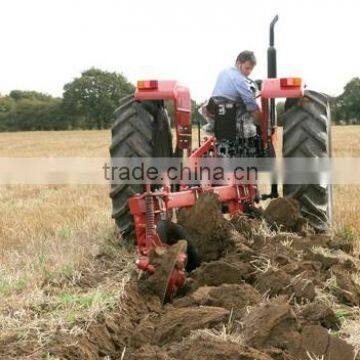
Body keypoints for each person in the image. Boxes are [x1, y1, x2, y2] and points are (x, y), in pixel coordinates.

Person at [210, 50, 260, 124]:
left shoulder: (224, 72)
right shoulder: (239, 79)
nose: (249, 72)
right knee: (252, 107)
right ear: (238, 63)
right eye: (247, 68)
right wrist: (262, 124)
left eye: (251, 69)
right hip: (230, 113)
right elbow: (251, 104)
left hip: (214, 111)